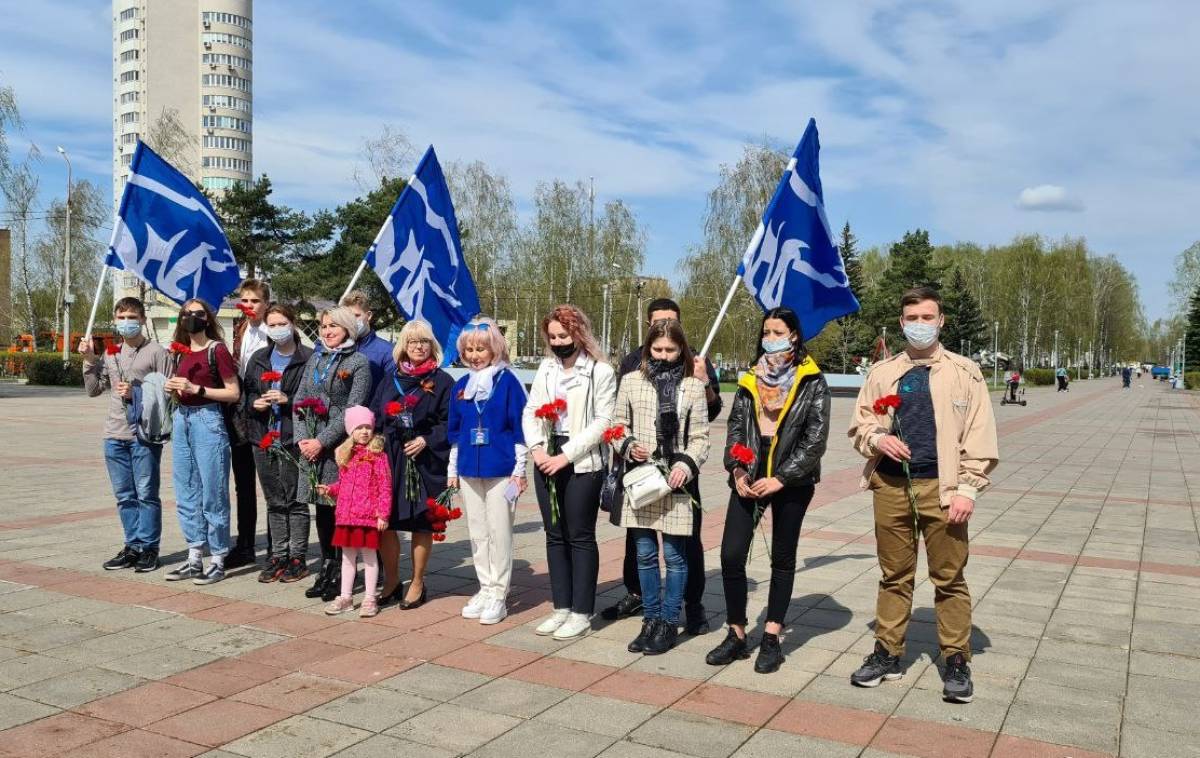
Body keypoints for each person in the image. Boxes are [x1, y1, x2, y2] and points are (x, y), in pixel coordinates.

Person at [848, 286, 998, 704]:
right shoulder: (882, 373)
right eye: (911, 319)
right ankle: (888, 653)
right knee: (894, 575)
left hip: (944, 488)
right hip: (892, 486)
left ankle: (955, 658)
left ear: (940, 321)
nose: (919, 325)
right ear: (901, 323)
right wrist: (877, 438)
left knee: (949, 578)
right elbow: (861, 423)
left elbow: (980, 436)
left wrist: (969, 488)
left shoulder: (964, 372)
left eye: (926, 318)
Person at [705, 307, 830, 674]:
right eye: (766, 331)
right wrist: (737, 468)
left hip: (791, 481)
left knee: (782, 557)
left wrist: (782, 477)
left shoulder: (812, 380)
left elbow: (815, 439)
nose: (770, 337)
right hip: (750, 474)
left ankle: (772, 635)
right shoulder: (750, 379)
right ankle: (737, 633)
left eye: (777, 331)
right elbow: (734, 429)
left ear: (794, 335)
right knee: (730, 555)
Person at [602, 298, 722, 636]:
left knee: (676, 554)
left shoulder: (694, 380)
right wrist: (626, 445)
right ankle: (650, 617)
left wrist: (685, 463)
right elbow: (616, 425)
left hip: (678, 480)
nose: (663, 355)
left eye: (670, 349)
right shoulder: (631, 377)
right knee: (643, 552)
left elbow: (701, 434)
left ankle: (675, 617)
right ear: (648, 344)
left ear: (681, 345)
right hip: (641, 479)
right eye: (657, 349)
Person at [523, 305, 616, 640]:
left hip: (581, 460)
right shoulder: (547, 368)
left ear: (578, 333)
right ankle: (561, 606)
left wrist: (565, 455)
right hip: (545, 455)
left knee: (579, 535)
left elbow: (603, 422)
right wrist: (536, 448)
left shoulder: (599, 372)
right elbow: (531, 410)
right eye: (552, 336)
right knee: (554, 534)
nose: (558, 341)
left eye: (564, 335)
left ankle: (581, 611)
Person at [80, 297, 172, 573]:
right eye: (120, 318)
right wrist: (88, 361)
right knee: (124, 495)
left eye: (131, 317)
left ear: (143, 319)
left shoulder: (157, 352)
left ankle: (149, 548)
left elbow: (169, 393)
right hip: (114, 434)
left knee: (146, 493)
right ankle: (132, 545)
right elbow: (94, 389)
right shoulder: (111, 353)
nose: (126, 322)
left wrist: (138, 393)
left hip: (144, 434)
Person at [446, 316, 528, 626]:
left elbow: (520, 427)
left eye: (481, 348)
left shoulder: (508, 382)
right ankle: (484, 586)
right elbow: (455, 431)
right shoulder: (462, 385)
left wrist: (520, 469)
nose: (475, 355)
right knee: (477, 532)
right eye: (469, 349)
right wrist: (453, 468)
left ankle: (499, 593)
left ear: (494, 348)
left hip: (502, 469)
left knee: (500, 531)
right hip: (469, 468)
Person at [371, 320, 455, 610]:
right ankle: (392, 580)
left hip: (425, 458)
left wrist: (427, 439)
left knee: (422, 521)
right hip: (390, 456)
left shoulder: (442, 381)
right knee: (386, 521)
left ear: (433, 346)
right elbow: (375, 414)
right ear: (402, 347)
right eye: (412, 342)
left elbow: (450, 422)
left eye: (424, 342)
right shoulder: (389, 377)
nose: (418, 347)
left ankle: (418, 582)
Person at [294, 306, 373, 601]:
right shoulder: (315, 358)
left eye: (334, 326)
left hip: (338, 446)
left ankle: (342, 568)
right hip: (311, 443)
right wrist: (304, 440)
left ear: (348, 330)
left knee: (338, 507)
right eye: (324, 326)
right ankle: (327, 563)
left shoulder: (358, 362)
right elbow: (299, 400)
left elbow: (354, 408)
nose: (327, 332)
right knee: (321, 508)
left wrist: (322, 442)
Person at [162, 298, 242, 585]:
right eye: (185, 314)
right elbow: (177, 388)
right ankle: (194, 555)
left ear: (207, 318)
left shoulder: (216, 350)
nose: (190, 318)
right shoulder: (179, 352)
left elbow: (233, 392)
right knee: (186, 490)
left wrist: (197, 388)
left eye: (196, 314)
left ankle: (218, 557)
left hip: (208, 419)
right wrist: (172, 387)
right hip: (182, 419)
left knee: (213, 492)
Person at [243, 303, 313, 583]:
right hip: (263, 437)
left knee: (295, 500)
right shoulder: (259, 358)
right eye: (270, 325)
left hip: (292, 437)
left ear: (293, 324)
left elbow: (316, 400)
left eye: (281, 323)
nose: (276, 329)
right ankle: (278, 555)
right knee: (274, 500)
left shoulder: (308, 357)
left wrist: (290, 401)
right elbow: (246, 395)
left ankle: (298, 557)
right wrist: (255, 403)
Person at [316, 406, 391, 618]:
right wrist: (330, 489)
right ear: (351, 431)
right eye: (359, 427)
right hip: (346, 516)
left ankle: (369, 598)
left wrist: (382, 514)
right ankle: (346, 596)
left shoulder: (378, 456)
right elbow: (344, 484)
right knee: (347, 558)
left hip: (367, 517)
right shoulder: (346, 455)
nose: (365, 432)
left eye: (368, 427)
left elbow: (385, 487)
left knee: (369, 558)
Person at [227, 279, 271, 569]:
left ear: (266, 303)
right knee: (243, 485)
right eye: (245, 301)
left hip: (266, 413)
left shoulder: (273, 331)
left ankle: (276, 548)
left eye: (254, 301)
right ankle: (244, 544)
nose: (249, 306)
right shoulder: (241, 329)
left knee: (271, 484)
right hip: (240, 413)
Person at [340, 290, 397, 395]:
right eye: (347, 317)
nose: (351, 321)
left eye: (356, 315)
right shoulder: (335, 348)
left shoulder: (388, 352)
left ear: (369, 315)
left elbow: (391, 392)